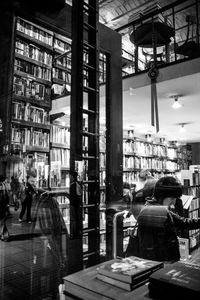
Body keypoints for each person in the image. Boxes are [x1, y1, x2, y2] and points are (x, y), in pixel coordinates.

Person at [136, 176, 200, 263]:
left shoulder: (160, 209)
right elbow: (148, 250)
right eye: (172, 198)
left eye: (175, 198)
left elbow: (183, 222)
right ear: (162, 196)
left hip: (165, 264)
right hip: (161, 266)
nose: (173, 202)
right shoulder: (152, 212)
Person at [69, 171, 82, 237]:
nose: (69, 178)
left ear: (73, 177)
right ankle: (74, 232)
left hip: (74, 205)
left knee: (73, 219)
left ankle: (74, 232)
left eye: (70, 176)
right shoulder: (76, 184)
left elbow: (79, 195)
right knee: (74, 219)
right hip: (74, 204)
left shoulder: (75, 185)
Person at [0, 175, 10, 241]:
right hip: (2, 205)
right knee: (2, 221)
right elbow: (5, 196)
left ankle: (4, 235)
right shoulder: (3, 185)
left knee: (2, 221)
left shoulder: (3, 185)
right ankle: (4, 235)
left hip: (2, 205)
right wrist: (7, 204)